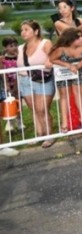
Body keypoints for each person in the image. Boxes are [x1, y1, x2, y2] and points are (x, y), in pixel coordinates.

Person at [16, 20, 55, 148]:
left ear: (36, 31)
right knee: (34, 110)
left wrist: (49, 60)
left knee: (42, 109)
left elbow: (54, 55)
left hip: (42, 80)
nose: (23, 32)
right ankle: (40, 133)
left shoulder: (45, 43)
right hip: (25, 81)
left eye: (26, 29)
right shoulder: (20, 48)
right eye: (22, 30)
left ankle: (49, 135)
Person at [49, 28, 82, 133]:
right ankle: (64, 123)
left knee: (79, 94)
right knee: (64, 96)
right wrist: (68, 65)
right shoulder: (61, 49)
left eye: (81, 36)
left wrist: (77, 66)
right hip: (62, 72)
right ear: (70, 39)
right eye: (77, 38)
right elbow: (52, 59)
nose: (81, 39)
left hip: (79, 71)